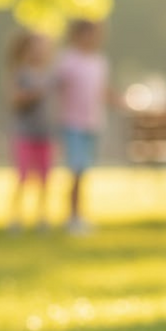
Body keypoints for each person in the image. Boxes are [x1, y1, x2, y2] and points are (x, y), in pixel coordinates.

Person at [53, 18, 111, 234]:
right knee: (76, 170)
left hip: (92, 123)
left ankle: (79, 214)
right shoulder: (67, 60)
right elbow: (56, 86)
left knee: (83, 171)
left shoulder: (99, 62)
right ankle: (73, 216)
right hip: (72, 123)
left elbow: (102, 91)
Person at [5, 29, 54, 231]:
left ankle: (42, 217)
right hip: (25, 134)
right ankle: (16, 218)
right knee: (23, 177)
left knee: (45, 179)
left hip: (45, 134)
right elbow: (15, 99)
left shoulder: (49, 75)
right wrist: (35, 94)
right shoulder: (21, 73)